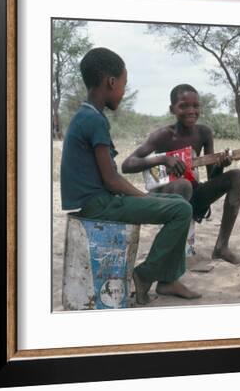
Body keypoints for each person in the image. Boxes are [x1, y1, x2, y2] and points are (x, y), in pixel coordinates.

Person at [60, 48, 201, 304]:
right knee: (180, 211)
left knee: (180, 205)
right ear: (111, 82)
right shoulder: (94, 120)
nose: (124, 92)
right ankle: (146, 275)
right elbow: (111, 179)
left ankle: (168, 280)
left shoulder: (87, 115)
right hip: (99, 204)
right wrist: (144, 196)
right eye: (123, 85)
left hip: (99, 200)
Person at [121, 84, 240, 264]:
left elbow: (213, 178)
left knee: (237, 176)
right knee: (183, 185)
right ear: (172, 109)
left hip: (194, 194)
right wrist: (162, 160)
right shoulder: (163, 135)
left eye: (195, 106)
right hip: (167, 198)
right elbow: (127, 165)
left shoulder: (204, 133)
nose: (191, 111)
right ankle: (175, 254)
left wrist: (220, 165)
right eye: (184, 106)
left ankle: (221, 247)